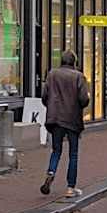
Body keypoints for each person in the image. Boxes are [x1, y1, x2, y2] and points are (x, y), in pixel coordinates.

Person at [40, 49, 90, 198]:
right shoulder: (79, 76)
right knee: (73, 154)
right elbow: (83, 100)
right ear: (74, 62)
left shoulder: (52, 74)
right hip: (72, 119)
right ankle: (70, 188)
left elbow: (44, 96)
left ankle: (51, 171)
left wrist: (51, 106)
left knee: (56, 150)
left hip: (55, 118)